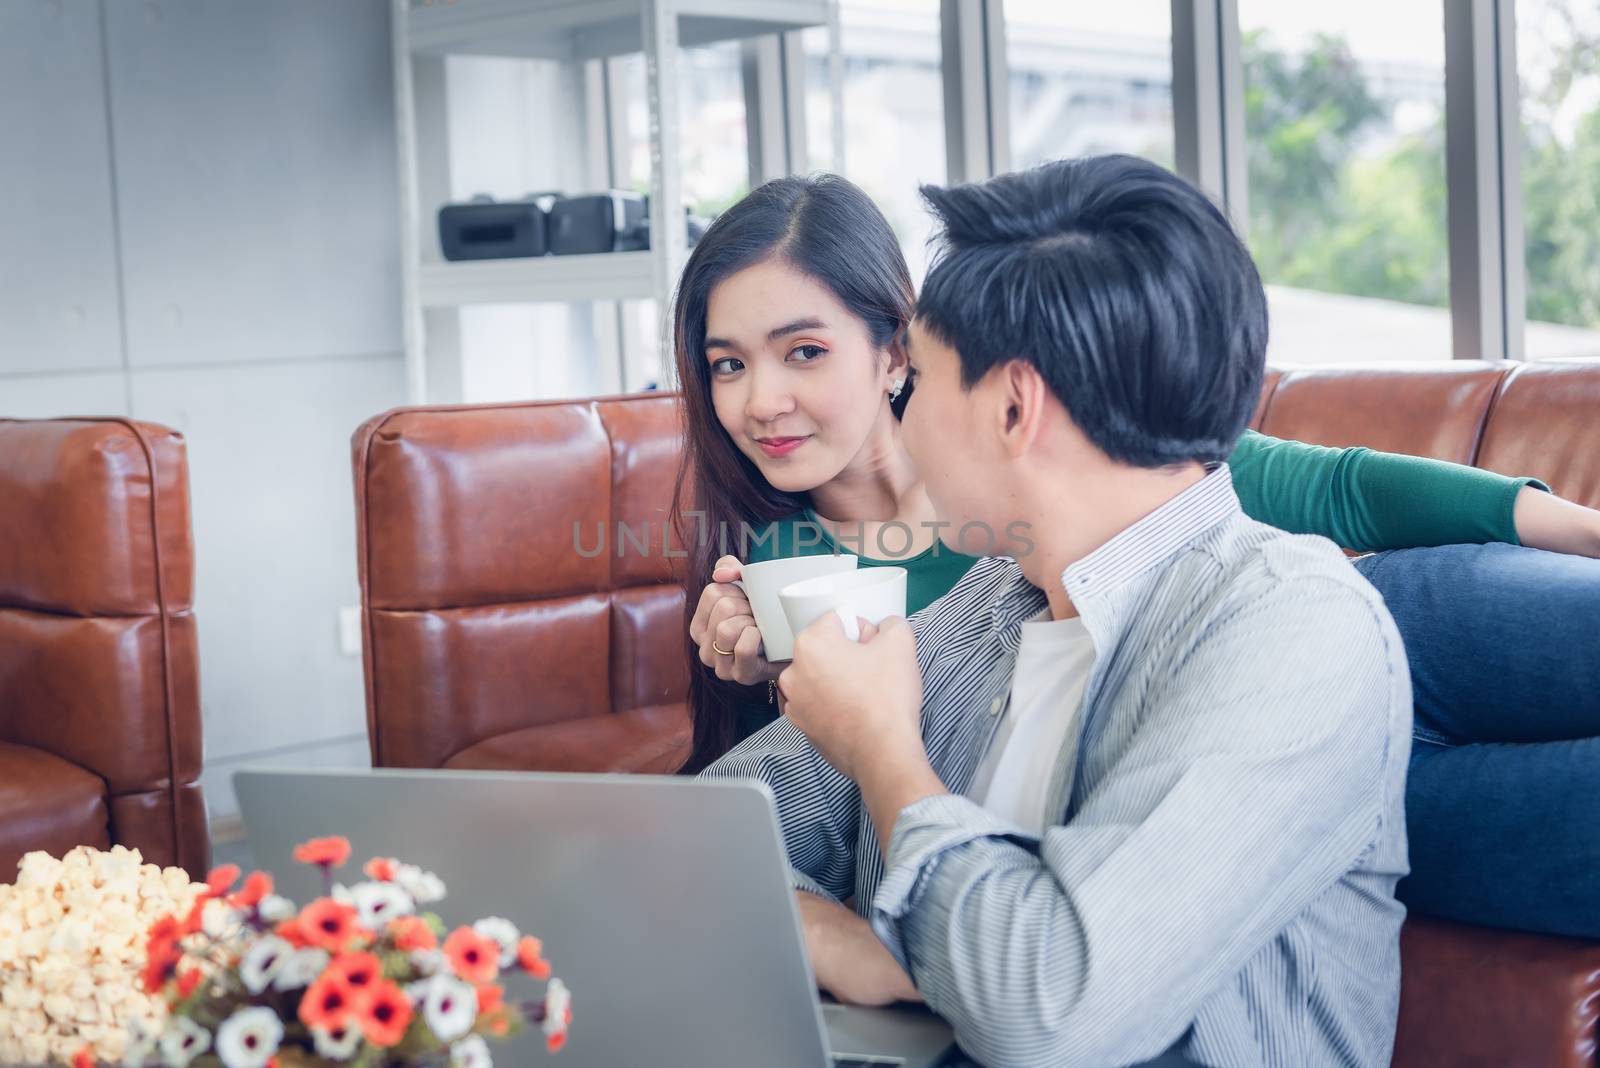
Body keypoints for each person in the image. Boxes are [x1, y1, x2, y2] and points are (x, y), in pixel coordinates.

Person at [672, 170, 1600, 939]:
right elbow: (796, 795)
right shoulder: (780, 564)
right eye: (727, 364)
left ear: (896, 352)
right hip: (1231, 788)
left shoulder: (1097, 453)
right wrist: (784, 678)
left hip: (1383, 622)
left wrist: (1582, 529)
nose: (761, 401)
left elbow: (1340, 488)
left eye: (802, 352)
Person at [700, 155, 1410, 1065]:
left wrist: (884, 749)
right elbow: (718, 829)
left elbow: (1051, 1011)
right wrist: (843, 944)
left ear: (1011, 407)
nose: (903, 422)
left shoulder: (1294, 629)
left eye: (917, 381)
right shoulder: (994, 603)